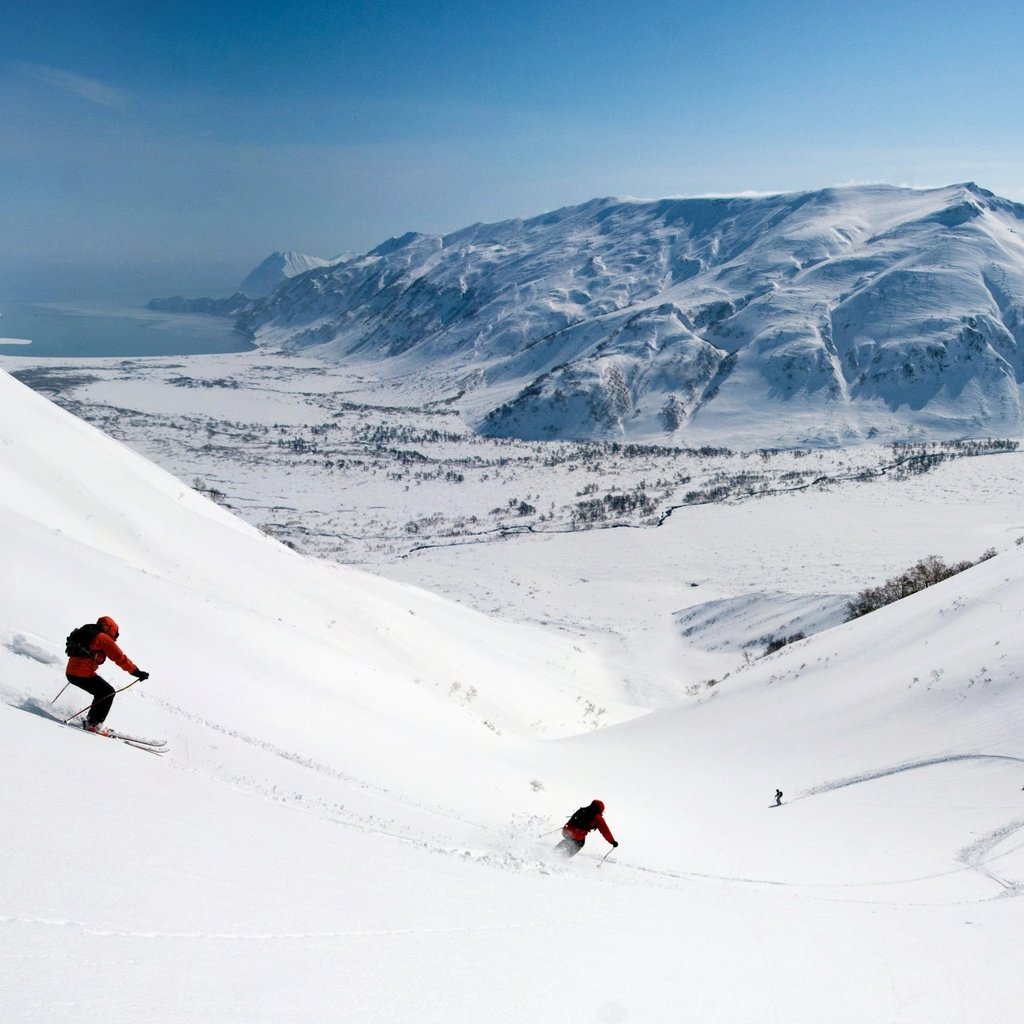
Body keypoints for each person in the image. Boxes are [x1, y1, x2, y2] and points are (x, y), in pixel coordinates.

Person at [65, 616, 148, 733]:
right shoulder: (103, 637)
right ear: (111, 629)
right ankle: (94, 724)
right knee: (108, 692)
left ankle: (92, 721)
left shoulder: (88, 631)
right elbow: (119, 657)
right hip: (81, 673)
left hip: (71, 672)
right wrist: (136, 672)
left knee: (102, 691)